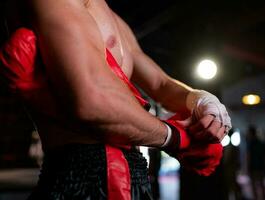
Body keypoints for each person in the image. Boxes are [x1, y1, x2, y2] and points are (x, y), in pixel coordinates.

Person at [0, 0, 231, 199]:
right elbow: (92, 101)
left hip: (135, 178)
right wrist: (179, 139)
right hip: (81, 178)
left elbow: (161, 84)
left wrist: (203, 100)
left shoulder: (113, 19)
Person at [246, 126, 265, 200]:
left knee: (254, 186)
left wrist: (247, 167)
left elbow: (249, 156)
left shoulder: (250, 144)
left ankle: (256, 198)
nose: (247, 135)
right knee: (261, 184)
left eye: (248, 133)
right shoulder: (260, 142)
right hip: (261, 167)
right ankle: (264, 198)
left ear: (251, 133)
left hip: (253, 168)